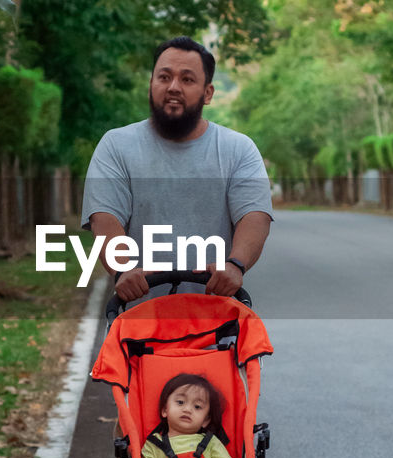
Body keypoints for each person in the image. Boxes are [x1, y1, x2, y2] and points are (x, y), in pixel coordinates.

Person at [81, 36, 272, 302]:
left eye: (187, 79)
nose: (173, 87)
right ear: (151, 84)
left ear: (208, 93)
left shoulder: (238, 149)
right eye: (164, 77)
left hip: (217, 322)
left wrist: (235, 265)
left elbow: (254, 215)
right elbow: (104, 216)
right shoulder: (116, 145)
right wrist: (123, 268)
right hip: (137, 323)